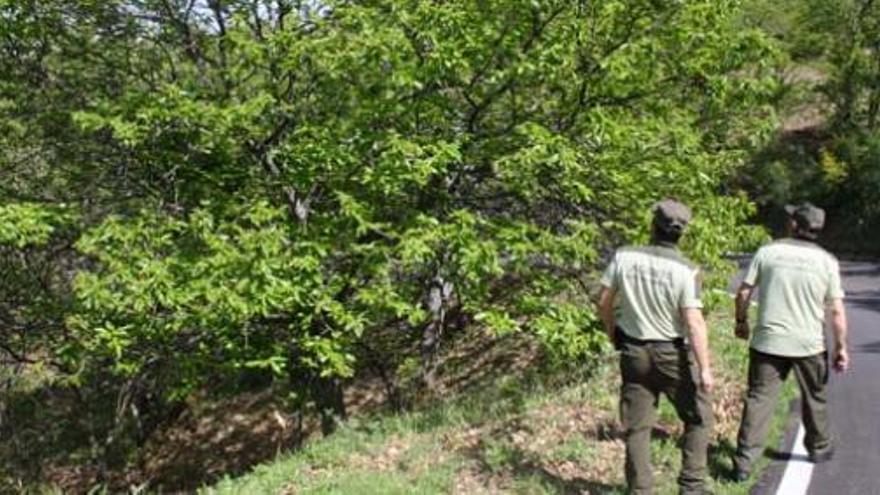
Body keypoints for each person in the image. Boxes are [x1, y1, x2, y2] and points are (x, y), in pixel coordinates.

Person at [598, 199, 714, 495]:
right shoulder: (687, 270)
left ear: (652, 225)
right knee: (699, 418)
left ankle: (641, 490)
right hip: (671, 354)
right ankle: (692, 486)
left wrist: (613, 334)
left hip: (633, 351)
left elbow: (604, 302)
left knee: (637, 427)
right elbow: (694, 322)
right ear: (681, 233)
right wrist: (705, 369)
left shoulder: (624, 256)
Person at [732, 202, 849, 481]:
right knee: (815, 396)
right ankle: (819, 447)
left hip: (768, 342)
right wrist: (841, 347)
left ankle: (744, 463)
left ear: (794, 225)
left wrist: (741, 321)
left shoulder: (768, 252)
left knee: (759, 400)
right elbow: (836, 311)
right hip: (809, 344)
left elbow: (744, 292)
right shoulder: (827, 261)